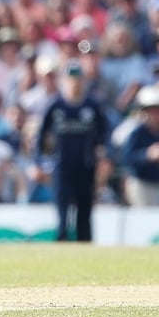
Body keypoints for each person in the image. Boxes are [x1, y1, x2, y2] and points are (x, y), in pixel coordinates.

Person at [34, 60, 109, 242]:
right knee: (62, 214)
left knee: (84, 213)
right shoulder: (56, 106)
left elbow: (105, 134)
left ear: (84, 80)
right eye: (70, 79)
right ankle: (62, 245)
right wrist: (38, 162)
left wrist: (104, 157)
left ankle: (85, 248)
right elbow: (40, 135)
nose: (75, 83)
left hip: (86, 166)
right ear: (64, 80)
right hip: (61, 167)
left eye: (78, 79)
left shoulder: (92, 106)